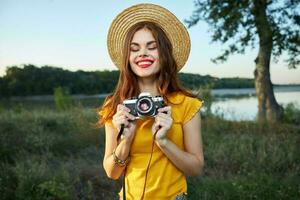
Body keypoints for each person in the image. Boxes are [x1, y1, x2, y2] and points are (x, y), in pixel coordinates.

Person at [99, 3, 204, 200]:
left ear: (163, 54)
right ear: (127, 58)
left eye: (152, 47)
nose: (143, 54)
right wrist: (126, 141)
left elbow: (196, 168)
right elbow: (112, 173)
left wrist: (164, 141)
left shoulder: (186, 104)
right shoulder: (115, 107)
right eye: (134, 48)